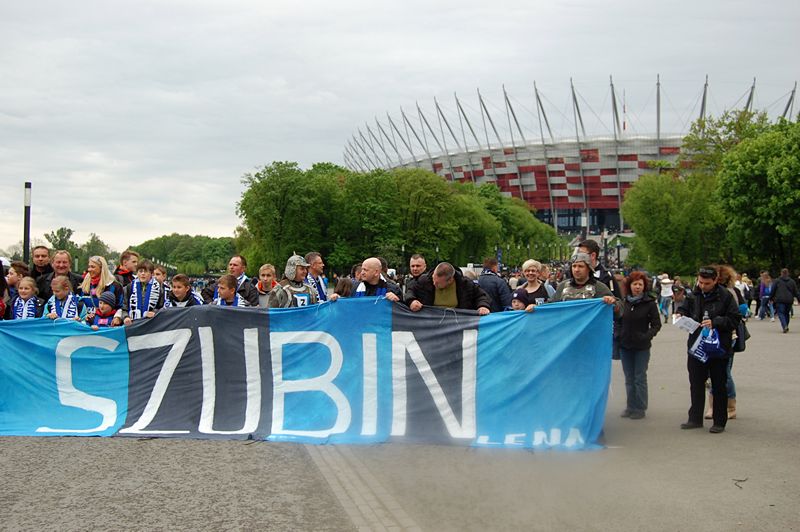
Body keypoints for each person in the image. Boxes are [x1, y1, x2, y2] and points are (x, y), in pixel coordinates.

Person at [675, 266, 741, 434]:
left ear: (715, 280)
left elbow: (734, 319)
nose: (703, 286)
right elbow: (684, 309)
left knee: (719, 384)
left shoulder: (725, 296)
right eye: (700, 282)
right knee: (696, 382)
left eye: (707, 283)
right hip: (696, 346)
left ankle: (719, 421)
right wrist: (680, 314)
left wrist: (715, 322)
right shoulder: (694, 294)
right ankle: (695, 418)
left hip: (718, 347)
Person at [618, 271, 661, 420]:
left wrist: (647, 336)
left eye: (640, 284)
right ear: (629, 286)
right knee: (629, 378)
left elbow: (656, 324)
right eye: (635, 284)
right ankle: (630, 406)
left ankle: (640, 407)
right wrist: (618, 335)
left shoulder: (649, 303)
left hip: (642, 346)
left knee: (639, 377)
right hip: (625, 345)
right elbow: (618, 321)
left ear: (644, 286)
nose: (637, 287)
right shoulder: (624, 302)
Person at [406, 262, 491, 315]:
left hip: (456, 325)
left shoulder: (465, 284)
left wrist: (483, 306)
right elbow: (410, 291)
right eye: (433, 279)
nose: (434, 283)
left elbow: (482, 295)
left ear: (450, 280)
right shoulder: (424, 281)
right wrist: (411, 301)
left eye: (438, 283)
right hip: (430, 323)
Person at [550, 253, 621, 313]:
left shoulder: (599, 287)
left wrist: (613, 303)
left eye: (580, 266)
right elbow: (551, 307)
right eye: (574, 266)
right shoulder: (562, 286)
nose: (576, 270)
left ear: (589, 269)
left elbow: (619, 309)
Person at [123, 260, 164, 324]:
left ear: (151, 274)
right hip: (132, 323)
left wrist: (154, 312)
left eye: (146, 271)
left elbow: (162, 308)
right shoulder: (129, 287)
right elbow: (124, 307)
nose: (143, 274)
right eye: (140, 271)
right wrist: (126, 317)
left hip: (151, 323)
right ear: (137, 273)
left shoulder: (159, 289)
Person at [770, 268, 800, 333]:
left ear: (781, 273)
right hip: (789, 300)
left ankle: (784, 326)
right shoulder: (792, 281)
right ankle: (786, 325)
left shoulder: (777, 281)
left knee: (781, 313)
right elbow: (796, 291)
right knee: (786, 313)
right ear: (788, 273)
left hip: (780, 299)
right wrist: (798, 299)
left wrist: (771, 298)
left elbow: (773, 290)